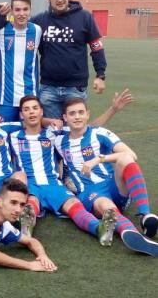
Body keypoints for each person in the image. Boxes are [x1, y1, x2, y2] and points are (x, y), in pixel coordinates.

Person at [11, 94, 131, 244]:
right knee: (31, 204)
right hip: (30, 184)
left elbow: (88, 128)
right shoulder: (12, 135)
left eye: (35, 108)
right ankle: (26, 227)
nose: (32, 112)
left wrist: (112, 109)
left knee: (74, 206)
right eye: (27, 110)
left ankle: (100, 229)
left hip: (53, 184)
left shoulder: (54, 134)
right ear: (21, 115)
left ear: (42, 112)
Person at [55, 97, 158, 256]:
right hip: (90, 192)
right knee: (106, 207)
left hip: (113, 185)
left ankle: (145, 215)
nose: (77, 117)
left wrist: (99, 159)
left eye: (81, 112)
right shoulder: (58, 139)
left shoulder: (99, 133)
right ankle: (133, 234)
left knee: (125, 159)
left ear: (88, 114)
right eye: (72, 113)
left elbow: (131, 154)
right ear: (65, 118)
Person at [32, 0, 107, 120]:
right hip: (48, 88)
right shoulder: (39, 21)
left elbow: (96, 48)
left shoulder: (85, 17)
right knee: (52, 133)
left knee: (76, 134)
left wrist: (100, 75)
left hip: (75, 88)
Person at [0, 0, 41, 123]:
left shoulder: (37, 31)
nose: (21, 13)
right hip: (6, 99)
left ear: (30, 10)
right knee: (3, 137)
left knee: (30, 137)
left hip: (30, 97)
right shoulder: (1, 32)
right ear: (11, 11)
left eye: (25, 9)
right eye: (17, 10)